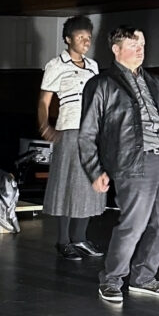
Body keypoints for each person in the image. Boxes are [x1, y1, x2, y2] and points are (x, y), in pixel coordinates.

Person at [78, 26, 159, 304]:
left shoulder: (156, 82)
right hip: (134, 163)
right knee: (133, 225)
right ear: (116, 49)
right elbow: (88, 132)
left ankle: (143, 277)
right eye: (133, 44)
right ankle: (112, 279)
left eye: (142, 44)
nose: (140, 49)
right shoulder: (101, 84)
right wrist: (94, 169)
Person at [38, 16, 106, 261]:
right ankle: (63, 240)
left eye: (89, 37)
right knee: (67, 185)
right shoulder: (56, 65)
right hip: (69, 129)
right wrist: (45, 126)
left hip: (92, 131)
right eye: (81, 38)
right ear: (68, 39)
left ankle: (81, 237)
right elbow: (45, 101)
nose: (86, 42)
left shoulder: (93, 66)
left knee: (90, 184)